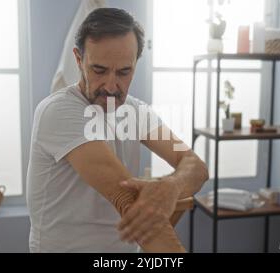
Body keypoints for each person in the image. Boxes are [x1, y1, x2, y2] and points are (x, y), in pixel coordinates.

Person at [26, 7, 208, 253]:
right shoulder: (59, 111)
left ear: (135, 64)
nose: (111, 86)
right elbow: (127, 201)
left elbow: (194, 165)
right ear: (79, 60)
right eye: (99, 70)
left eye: (124, 72)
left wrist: (173, 186)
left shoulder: (136, 112)